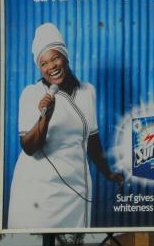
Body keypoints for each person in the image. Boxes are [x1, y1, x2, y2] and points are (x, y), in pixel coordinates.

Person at [8, 23, 123, 229]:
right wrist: (46, 117)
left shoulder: (88, 92)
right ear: (40, 69)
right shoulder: (31, 94)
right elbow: (28, 147)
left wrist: (108, 173)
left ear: (65, 57)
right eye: (44, 63)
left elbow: (93, 143)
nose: (51, 66)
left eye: (55, 58)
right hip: (39, 192)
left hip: (75, 190)